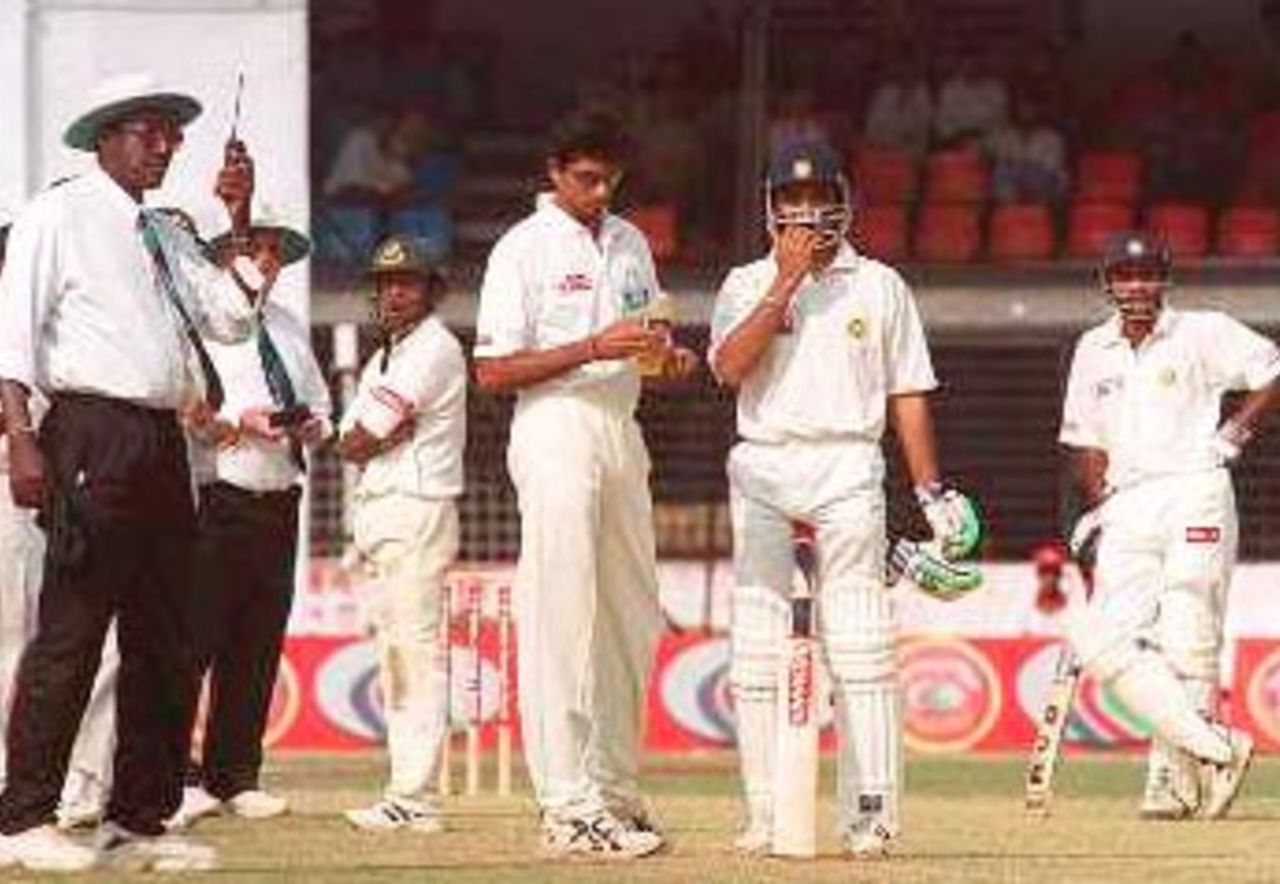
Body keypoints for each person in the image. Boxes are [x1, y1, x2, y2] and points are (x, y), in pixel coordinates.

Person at [0, 72, 270, 872]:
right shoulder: (59, 213)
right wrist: (22, 438)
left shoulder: (167, 232)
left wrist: (239, 216)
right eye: (149, 132)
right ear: (105, 136)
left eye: (172, 135)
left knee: (168, 638)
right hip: (91, 431)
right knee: (73, 633)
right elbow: (11, 336)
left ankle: (137, 821)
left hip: (160, 443)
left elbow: (229, 315)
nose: (167, 146)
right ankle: (22, 820)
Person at [708, 140, 982, 859]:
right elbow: (730, 369)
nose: (807, 214)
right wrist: (785, 283)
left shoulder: (880, 284)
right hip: (764, 464)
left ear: (844, 201)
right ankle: (767, 813)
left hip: (848, 464)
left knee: (860, 641)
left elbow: (908, 393)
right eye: (792, 203)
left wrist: (932, 491)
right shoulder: (746, 281)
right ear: (772, 208)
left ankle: (872, 813)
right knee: (759, 646)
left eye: (818, 199)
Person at [473, 106, 697, 859]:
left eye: (611, 178)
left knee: (633, 615)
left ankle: (614, 790)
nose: (600, 191)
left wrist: (667, 362)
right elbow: (494, 370)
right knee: (560, 612)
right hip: (555, 424)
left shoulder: (631, 242)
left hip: (620, 426)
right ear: (554, 172)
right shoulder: (523, 249)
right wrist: (592, 345)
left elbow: (646, 344)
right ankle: (565, 808)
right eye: (586, 178)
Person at [1059, 231, 1278, 823]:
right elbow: (1084, 440)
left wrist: (1234, 434)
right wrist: (1095, 506)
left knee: (1189, 635)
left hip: (1195, 488)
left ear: (1164, 280)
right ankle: (1218, 749)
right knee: (1105, 638)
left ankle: (1172, 781)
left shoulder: (1201, 331)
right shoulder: (1091, 348)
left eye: (1147, 275)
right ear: (1106, 283)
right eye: (1125, 277)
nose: (1136, 288)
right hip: (1127, 501)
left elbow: (1272, 369)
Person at [167, 217, 331, 830]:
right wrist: (243, 418)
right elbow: (185, 401)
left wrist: (314, 426)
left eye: (273, 253)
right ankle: (175, 774)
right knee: (195, 639)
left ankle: (235, 774)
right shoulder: (202, 325)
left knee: (257, 643)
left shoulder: (287, 327)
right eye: (253, 250)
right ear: (224, 260)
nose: (265, 261)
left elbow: (319, 403)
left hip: (278, 496)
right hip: (219, 493)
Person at [338, 235, 465, 833]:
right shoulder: (387, 354)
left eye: (408, 282)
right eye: (386, 283)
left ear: (431, 291)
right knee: (398, 654)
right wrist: (369, 436)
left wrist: (370, 436)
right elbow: (349, 439)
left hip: (416, 508)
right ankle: (405, 794)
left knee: (415, 654)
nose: (393, 292)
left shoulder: (433, 348)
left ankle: (414, 797)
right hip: (387, 512)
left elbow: (364, 438)